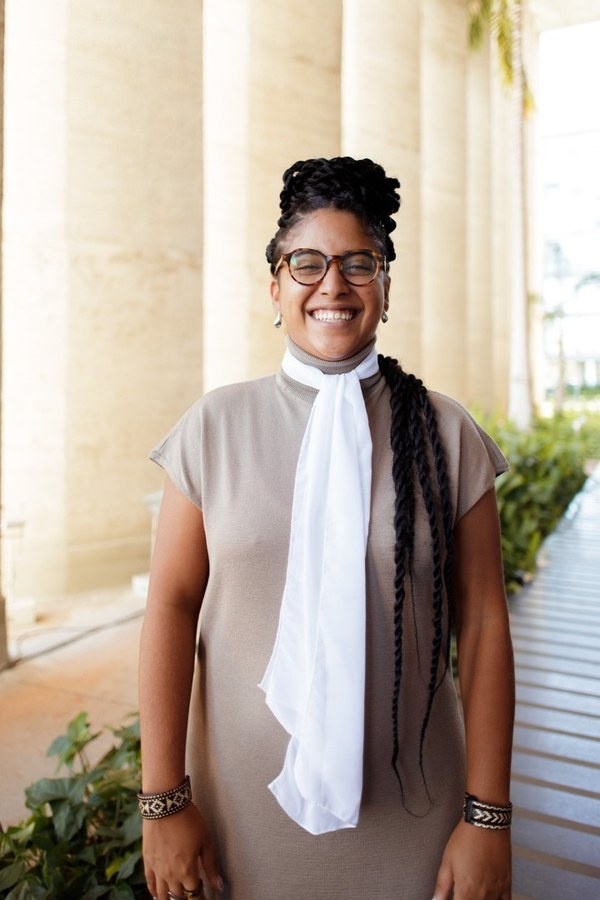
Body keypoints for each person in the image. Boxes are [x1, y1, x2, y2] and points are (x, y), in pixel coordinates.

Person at [138, 156, 515, 900]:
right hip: (238, 818)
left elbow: (482, 623)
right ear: (274, 287)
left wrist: (489, 817)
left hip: (417, 817)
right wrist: (162, 802)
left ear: (385, 285)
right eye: (305, 263)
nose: (333, 284)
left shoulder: (446, 433)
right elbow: (171, 610)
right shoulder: (214, 427)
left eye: (358, 263)